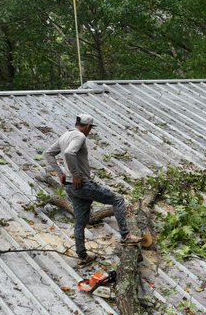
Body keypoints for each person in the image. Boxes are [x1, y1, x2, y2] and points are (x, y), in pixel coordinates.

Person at [44, 113, 141, 265]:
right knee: (117, 200)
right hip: (81, 184)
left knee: (80, 221)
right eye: (91, 129)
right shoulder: (80, 137)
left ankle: (82, 256)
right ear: (88, 126)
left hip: (70, 187)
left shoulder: (65, 135)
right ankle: (126, 236)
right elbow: (69, 153)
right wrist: (75, 175)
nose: (90, 132)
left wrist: (60, 173)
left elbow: (48, 153)